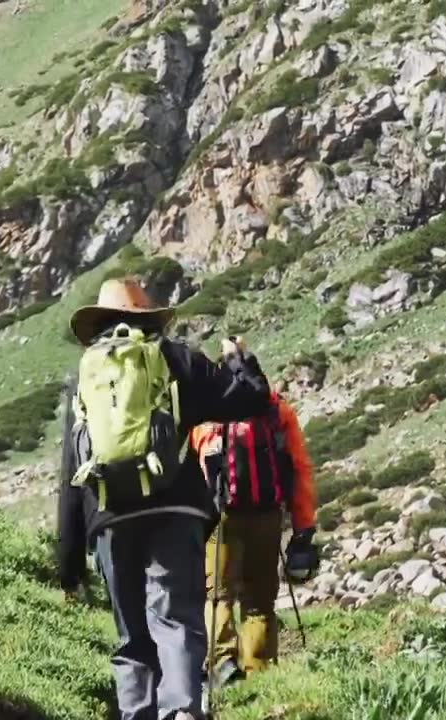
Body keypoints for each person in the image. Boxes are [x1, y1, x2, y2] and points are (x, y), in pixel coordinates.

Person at [56, 277, 272, 720]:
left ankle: (137, 713)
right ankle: (182, 714)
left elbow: (71, 472)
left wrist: (69, 563)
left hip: (109, 517)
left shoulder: (86, 375)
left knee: (131, 634)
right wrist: (240, 361)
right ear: (145, 315)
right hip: (177, 511)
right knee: (175, 620)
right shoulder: (177, 359)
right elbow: (249, 400)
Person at [190, 388, 318, 687]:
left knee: (217, 595)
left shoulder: (205, 411)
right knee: (259, 601)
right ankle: (258, 670)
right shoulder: (275, 410)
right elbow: (299, 467)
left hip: (221, 517)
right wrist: (303, 524)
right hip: (267, 514)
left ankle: (222, 663)